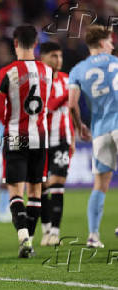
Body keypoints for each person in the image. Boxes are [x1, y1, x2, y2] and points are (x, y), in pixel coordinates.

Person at [0, 24, 52, 258]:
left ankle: (23, 236)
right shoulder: (48, 71)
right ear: (36, 44)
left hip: (15, 136)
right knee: (35, 190)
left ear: (15, 43)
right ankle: (30, 242)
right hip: (40, 137)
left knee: (16, 190)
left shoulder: (6, 72)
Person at [68, 25, 118, 248]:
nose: (113, 45)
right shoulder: (116, 63)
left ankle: (93, 236)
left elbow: (72, 105)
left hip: (99, 132)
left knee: (100, 184)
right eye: (110, 41)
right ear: (100, 43)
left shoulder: (78, 70)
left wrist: (81, 128)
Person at [39, 42, 75, 246]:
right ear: (43, 57)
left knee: (58, 183)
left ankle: (54, 232)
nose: (58, 60)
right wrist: (66, 95)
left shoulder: (67, 80)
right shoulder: (38, 81)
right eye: (53, 55)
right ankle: (45, 231)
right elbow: (49, 106)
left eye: (60, 56)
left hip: (62, 139)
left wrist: (73, 137)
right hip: (42, 140)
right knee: (42, 186)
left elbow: (67, 113)